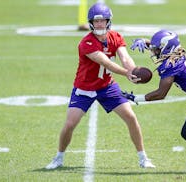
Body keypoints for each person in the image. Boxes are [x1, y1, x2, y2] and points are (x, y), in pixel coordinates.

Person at [45, 2, 155, 170]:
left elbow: (125, 58)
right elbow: (106, 63)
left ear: (108, 21)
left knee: (131, 117)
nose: (99, 24)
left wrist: (133, 70)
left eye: (102, 20)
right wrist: (126, 73)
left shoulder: (116, 37)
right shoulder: (86, 43)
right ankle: (58, 158)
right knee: (70, 124)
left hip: (107, 87)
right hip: (84, 88)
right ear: (91, 23)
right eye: (96, 21)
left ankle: (143, 158)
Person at [122, 29, 186, 172]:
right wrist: (145, 42)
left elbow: (160, 94)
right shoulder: (177, 53)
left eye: (157, 49)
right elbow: (163, 45)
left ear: (166, 48)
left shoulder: (170, 65)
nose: (154, 52)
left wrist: (135, 98)